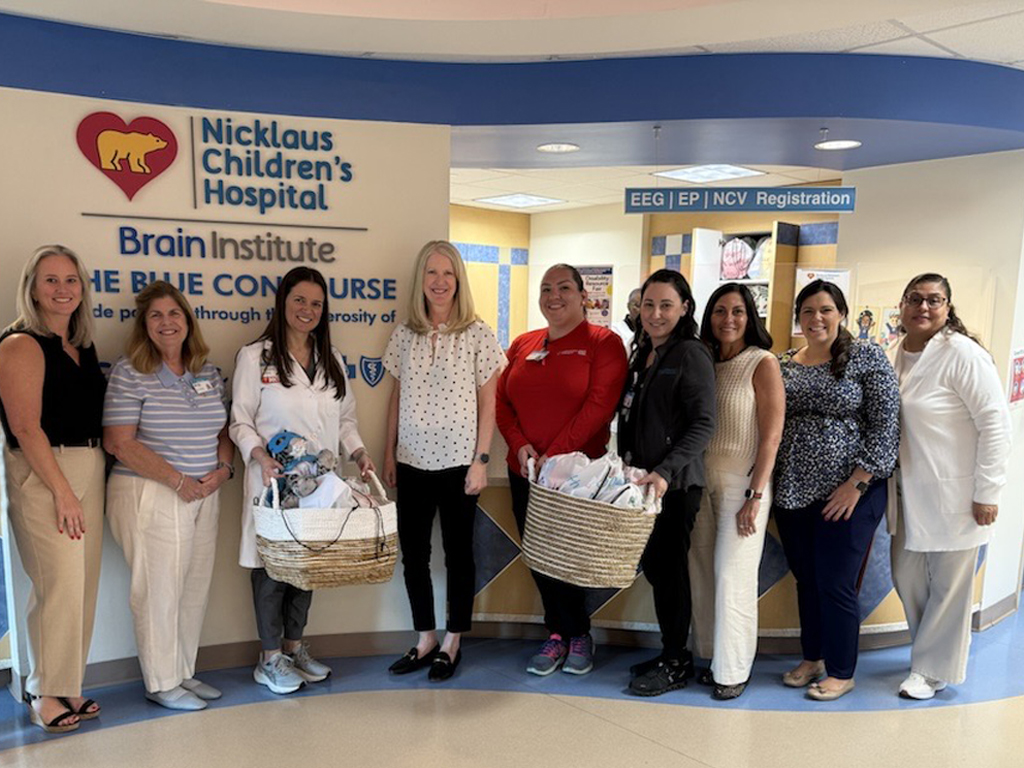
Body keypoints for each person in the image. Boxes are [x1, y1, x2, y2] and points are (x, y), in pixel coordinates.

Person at [230, 266, 374, 694]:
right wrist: (258, 456)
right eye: (299, 301)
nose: (307, 310)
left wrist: (360, 452)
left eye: (315, 303)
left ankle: (294, 648)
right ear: (282, 302)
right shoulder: (256, 357)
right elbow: (239, 421)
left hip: (320, 486)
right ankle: (269, 658)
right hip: (273, 482)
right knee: (271, 569)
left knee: (308, 567)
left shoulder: (334, 362)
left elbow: (346, 420)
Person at [103, 281, 235, 711]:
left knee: (192, 586)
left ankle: (182, 672)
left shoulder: (205, 371)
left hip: (203, 492)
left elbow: (222, 431)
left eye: (174, 313)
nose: (166, 322)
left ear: (187, 320)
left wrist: (223, 470)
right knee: (158, 588)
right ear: (144, 324)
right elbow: (119, 442)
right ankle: (160, 682)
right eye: (156, 315)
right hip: (151, 491)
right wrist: (178, 481)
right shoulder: (131, 371)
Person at [382, 240, 504, 682]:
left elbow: (489, 402)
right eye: (431, 273)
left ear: (459, 281)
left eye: (448, 273)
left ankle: (453, 641)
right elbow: (396, 396)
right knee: (413, 555)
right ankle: (425, 638)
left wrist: (481, 460)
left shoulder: (477, 334)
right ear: (421, 280)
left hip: (458, 463)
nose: (439, 282)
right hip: (411, 462)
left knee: (458, 556)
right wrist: (389, 452)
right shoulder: (404, 334)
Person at [497, 264, 627, 676]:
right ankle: (557, 634)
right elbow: (501, 402)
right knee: (538, 556)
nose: (555, 296)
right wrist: (519, 446)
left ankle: (577, 634)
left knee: (569, 559)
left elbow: (598, 407)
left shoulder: (604, 344)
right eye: (546, 288)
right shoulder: (523, 343)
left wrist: (552, 457)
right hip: (525, 473)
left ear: (582, 296)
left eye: (564, 288)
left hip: (576, 479)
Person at [773, 279, 899, 701]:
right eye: (807, 311)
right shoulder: (786, 362)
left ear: (841, 313)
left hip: (850, 493)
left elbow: (886, 425)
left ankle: (842, 670)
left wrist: (857, 484)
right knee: (806, 580)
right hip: (794, 490)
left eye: (825, 309)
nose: (816, 319)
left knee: (835, 582)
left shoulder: (865, 356)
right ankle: (814, 657)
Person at [888, 274, 1011, 699]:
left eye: (934, 301)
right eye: (916, 299)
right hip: (906, 494)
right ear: (902, 305)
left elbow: (995, 424)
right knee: (906, 575)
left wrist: (988, 492)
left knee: (949, 585)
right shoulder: (895, 353)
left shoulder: (963, 354)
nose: (924, 307)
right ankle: (930, 654)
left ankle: (931, 669)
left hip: (957, 494)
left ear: (947, 307)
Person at [0, 245, 106, 733]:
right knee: (57, 582)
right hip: (43, 471)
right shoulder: (20, 344)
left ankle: (67, 682)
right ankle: (43, 689)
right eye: (51, 280)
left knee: (81, 585)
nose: (62, 289)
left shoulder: (81, 345)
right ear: (33, 288)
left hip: (88, 463)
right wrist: (63, 491)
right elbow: (25, 426)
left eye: (71, 280)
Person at [616, 269, 716, 696]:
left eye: (665, 306)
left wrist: (666, 469)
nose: (655, 314)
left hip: (674, 487)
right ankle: (669, 650)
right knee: (658, 569)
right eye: (648, 305)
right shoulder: (644, 352)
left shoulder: (690, 353)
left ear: (685, 309)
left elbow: (703, 423)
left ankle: (677, 661)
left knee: (669, 572)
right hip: (643, 484)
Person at [689, 283, 784, 700]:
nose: (728, 319)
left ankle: (733, 670)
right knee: (702, 573)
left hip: (742, 486)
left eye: (738, 311)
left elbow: (771, 436)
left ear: (751, 317)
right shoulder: (704, 360)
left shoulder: (761, 363)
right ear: (708, 317)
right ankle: (710, 658)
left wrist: (756, 495)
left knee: (733, 577)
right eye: (720, 311)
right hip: (701, 480)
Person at [610, 287, 642, 352]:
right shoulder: (614, 330)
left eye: (648, 306)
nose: (641, 310)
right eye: (638, 305)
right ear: (628, 306)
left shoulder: (653, 332)